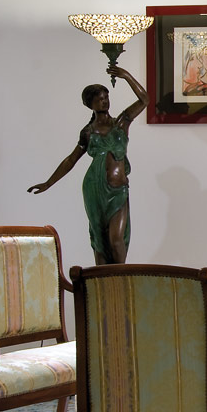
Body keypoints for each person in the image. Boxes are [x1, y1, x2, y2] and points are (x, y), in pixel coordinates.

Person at [28, 64, 149, 264]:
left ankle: (121, 279)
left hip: (118, 190)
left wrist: (126, 75)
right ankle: (101, 280)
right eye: (99, 99)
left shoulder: (121, 123)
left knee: (117, 240)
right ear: (90, 104)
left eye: (106, 97)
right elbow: (71, 159)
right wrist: (48, 183)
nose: (105, 101)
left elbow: (144, 100)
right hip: (94, 189)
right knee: (100, 241)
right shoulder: (88, 132)